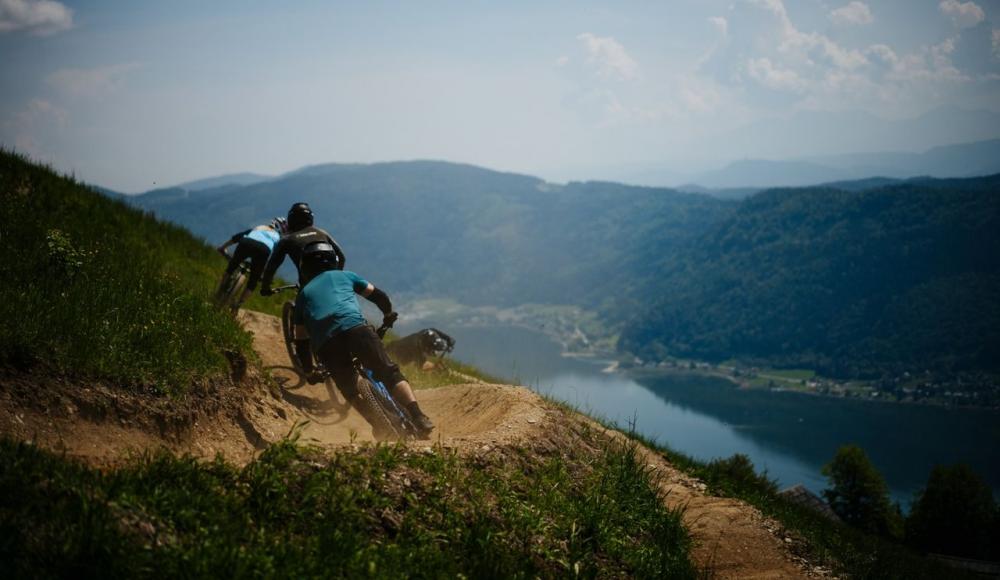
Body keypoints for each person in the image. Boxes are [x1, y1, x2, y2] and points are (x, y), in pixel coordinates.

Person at [296, 267, 435, 438]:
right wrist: (388, 313)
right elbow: (378, 295)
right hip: (357, 329)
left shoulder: (303, 293)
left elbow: (301, 338)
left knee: (350, 390)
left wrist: (309, 370)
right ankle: (418, 416)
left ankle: (379, 425)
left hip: (327, 343)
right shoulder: (344, 275)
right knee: (389, 373)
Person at [260, 202, 347, 380]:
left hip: (308, 288)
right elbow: (342, 257)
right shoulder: (322, 233)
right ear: (311, 218)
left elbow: (271, 266)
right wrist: (336, 278)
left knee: (301, 328)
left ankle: (309, 371)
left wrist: (265, 287)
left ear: (291, 220)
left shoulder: (286, 240)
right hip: (333, 285)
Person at [215, 217, 286, 312]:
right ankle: (237, 305)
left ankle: (219, 292)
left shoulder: (259, 227)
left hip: (246, 243)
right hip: (263, 250)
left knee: (231, 268)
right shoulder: (277, 237)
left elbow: (236, 237)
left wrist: (223, 248)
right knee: (253, 280)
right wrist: (266, 274)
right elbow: (275, 257)